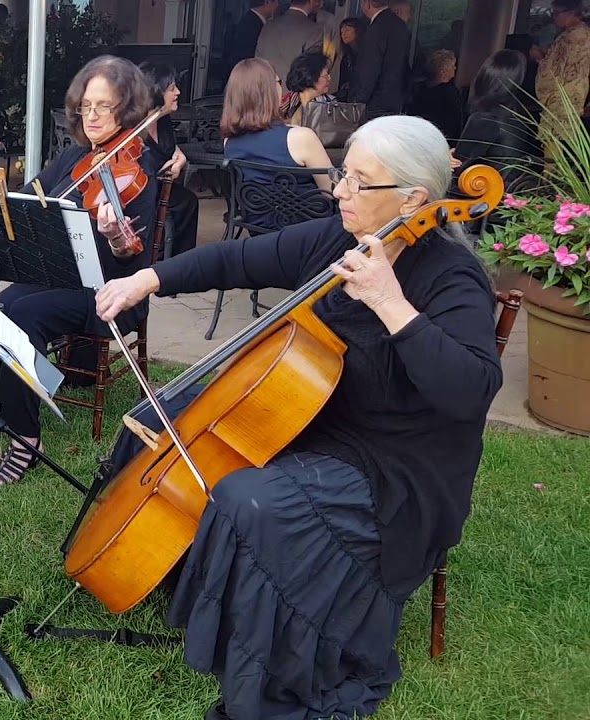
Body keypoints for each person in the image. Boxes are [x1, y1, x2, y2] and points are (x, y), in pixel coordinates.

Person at [93, 115, 503, 720]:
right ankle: (164, 569)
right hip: (323, 423)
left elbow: (471, 391)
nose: (340, 191)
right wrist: (149, 278)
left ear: (415, 200)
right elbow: (242, 259)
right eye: (344, 175)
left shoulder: (451, 276)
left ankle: (273, 664)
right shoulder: (336, 240)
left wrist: (390, 303)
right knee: (173, 414)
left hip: (399, 468)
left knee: (251, 500)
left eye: (360, 182)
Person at [0, 55, 166, 486]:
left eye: (104, 106)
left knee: (23, 315)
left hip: (107, 292)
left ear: (126, 108)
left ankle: (28, 441)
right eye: (86, 106)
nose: (92, 116)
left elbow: (131, 258)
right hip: (62, 275)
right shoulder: (75, 157)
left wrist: (114, 237)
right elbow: (33, 193)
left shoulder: (137, 173)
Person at [222, 58, 333, 229]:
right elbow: (333, 191)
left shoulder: (229, 141)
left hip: (258, 230)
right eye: (278, 81)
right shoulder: (301, 137)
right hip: (307, 233)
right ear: (269, 90)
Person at [453, 50, 543, 194]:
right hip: (509, 195)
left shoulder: (486, 119)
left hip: (482, 197)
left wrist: (447, 158)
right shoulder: (522, 117)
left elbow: (459, 167)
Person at [140, 61, 200, 259]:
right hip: (141, 193)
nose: (178, 93)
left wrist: (180, 158)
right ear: (156, 91)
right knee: (182, 203)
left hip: (161, 188)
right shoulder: (135, 126)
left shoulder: (163, 120)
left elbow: (171, 148)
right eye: (172, 88)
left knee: (188, 201)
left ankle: (179, 262)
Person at [535, 0, 590, 151]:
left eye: (556, 13)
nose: (554, 18)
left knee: (553, 147)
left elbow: (552, 72)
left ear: (570, 13)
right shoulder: (586, 34)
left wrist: (540, 57)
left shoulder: (568, 39)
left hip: (560, 99)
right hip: (577, 97)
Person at [347, 0, 412, 120]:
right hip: (394, 100)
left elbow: (369, 69)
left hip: (373, 103)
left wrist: (356, 102)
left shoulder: (376, 29)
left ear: (367, 3)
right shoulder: (400, 25)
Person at [255, 0, 325, 85]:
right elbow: (310, 70)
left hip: (264, 88)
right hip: (292, 93)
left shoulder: (269, 25)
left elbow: (258, 59)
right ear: (311, 1)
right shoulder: (314, 30)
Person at [408, 50, 463, 143]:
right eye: (453, 65)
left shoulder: (418, 90)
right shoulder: (449, 93)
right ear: (443, 72)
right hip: (441, 140)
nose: (455, 68)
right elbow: (455, 124)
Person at [281, 51, 334, 125]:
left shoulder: (331, 105)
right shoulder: (289, 101)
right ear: (311, 77)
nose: (329, 78)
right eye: (326, 75)